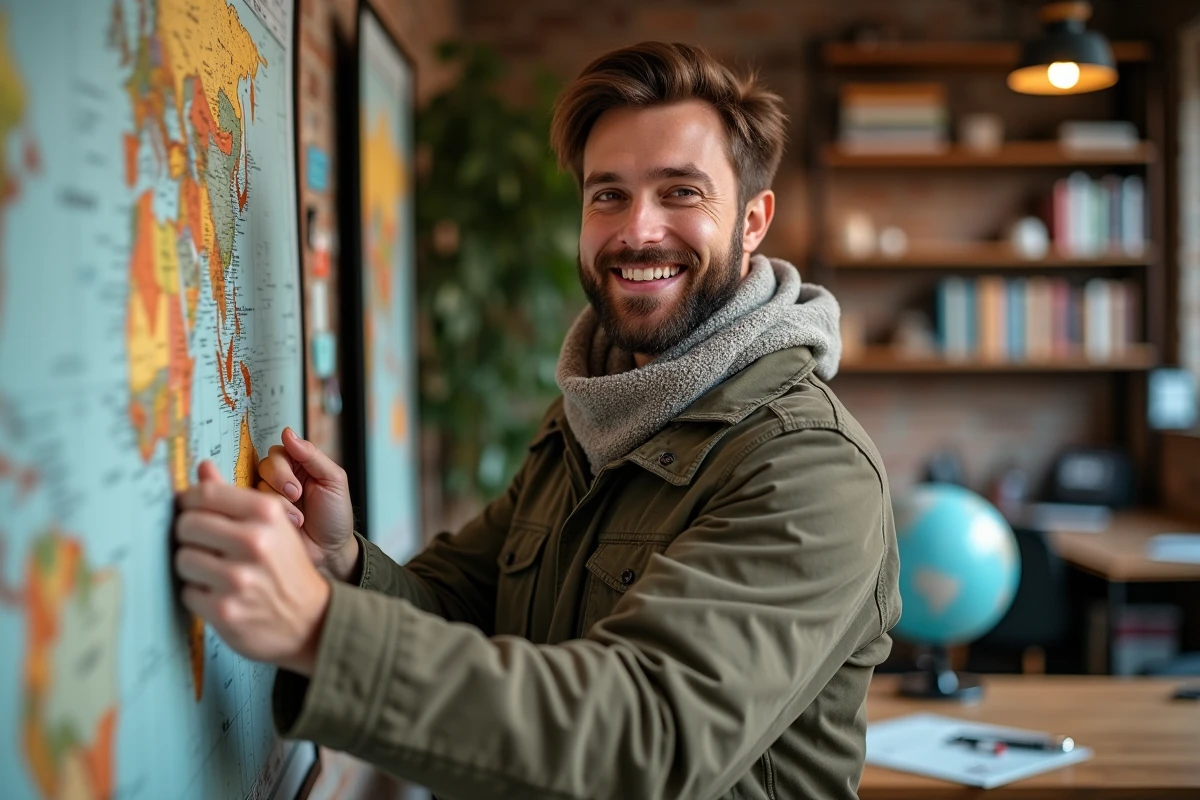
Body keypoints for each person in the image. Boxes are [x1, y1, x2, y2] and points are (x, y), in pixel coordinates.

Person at [174, 41, 900, 800]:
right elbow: (467, 608)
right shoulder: (591, 415)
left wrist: (320, 631)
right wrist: (341, 565)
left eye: (681, 192)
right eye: (607, 194)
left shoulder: (811, 467)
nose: (637, 230)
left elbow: (643, 737)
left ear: (753, 221)